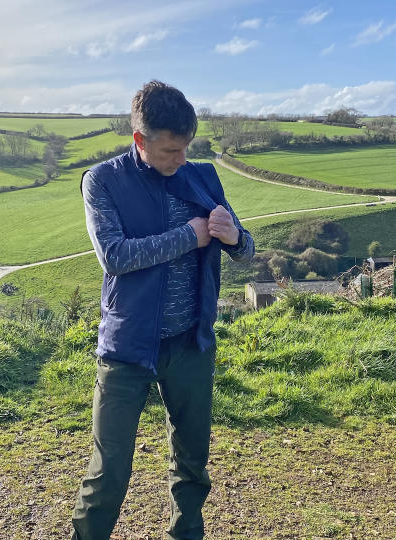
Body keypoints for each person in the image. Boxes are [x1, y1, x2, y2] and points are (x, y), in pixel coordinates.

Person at [71, 80, 255, 540]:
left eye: (186, 148)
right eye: (171, 151)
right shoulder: (102, 181)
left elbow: (245, 249)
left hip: (191, 342)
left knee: (192, 461)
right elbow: (114, 256)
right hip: (127, 346)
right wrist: (189, 236)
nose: (180, 160)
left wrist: (234, 237)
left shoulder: (203, 176)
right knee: (108, 470)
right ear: (140, 139)